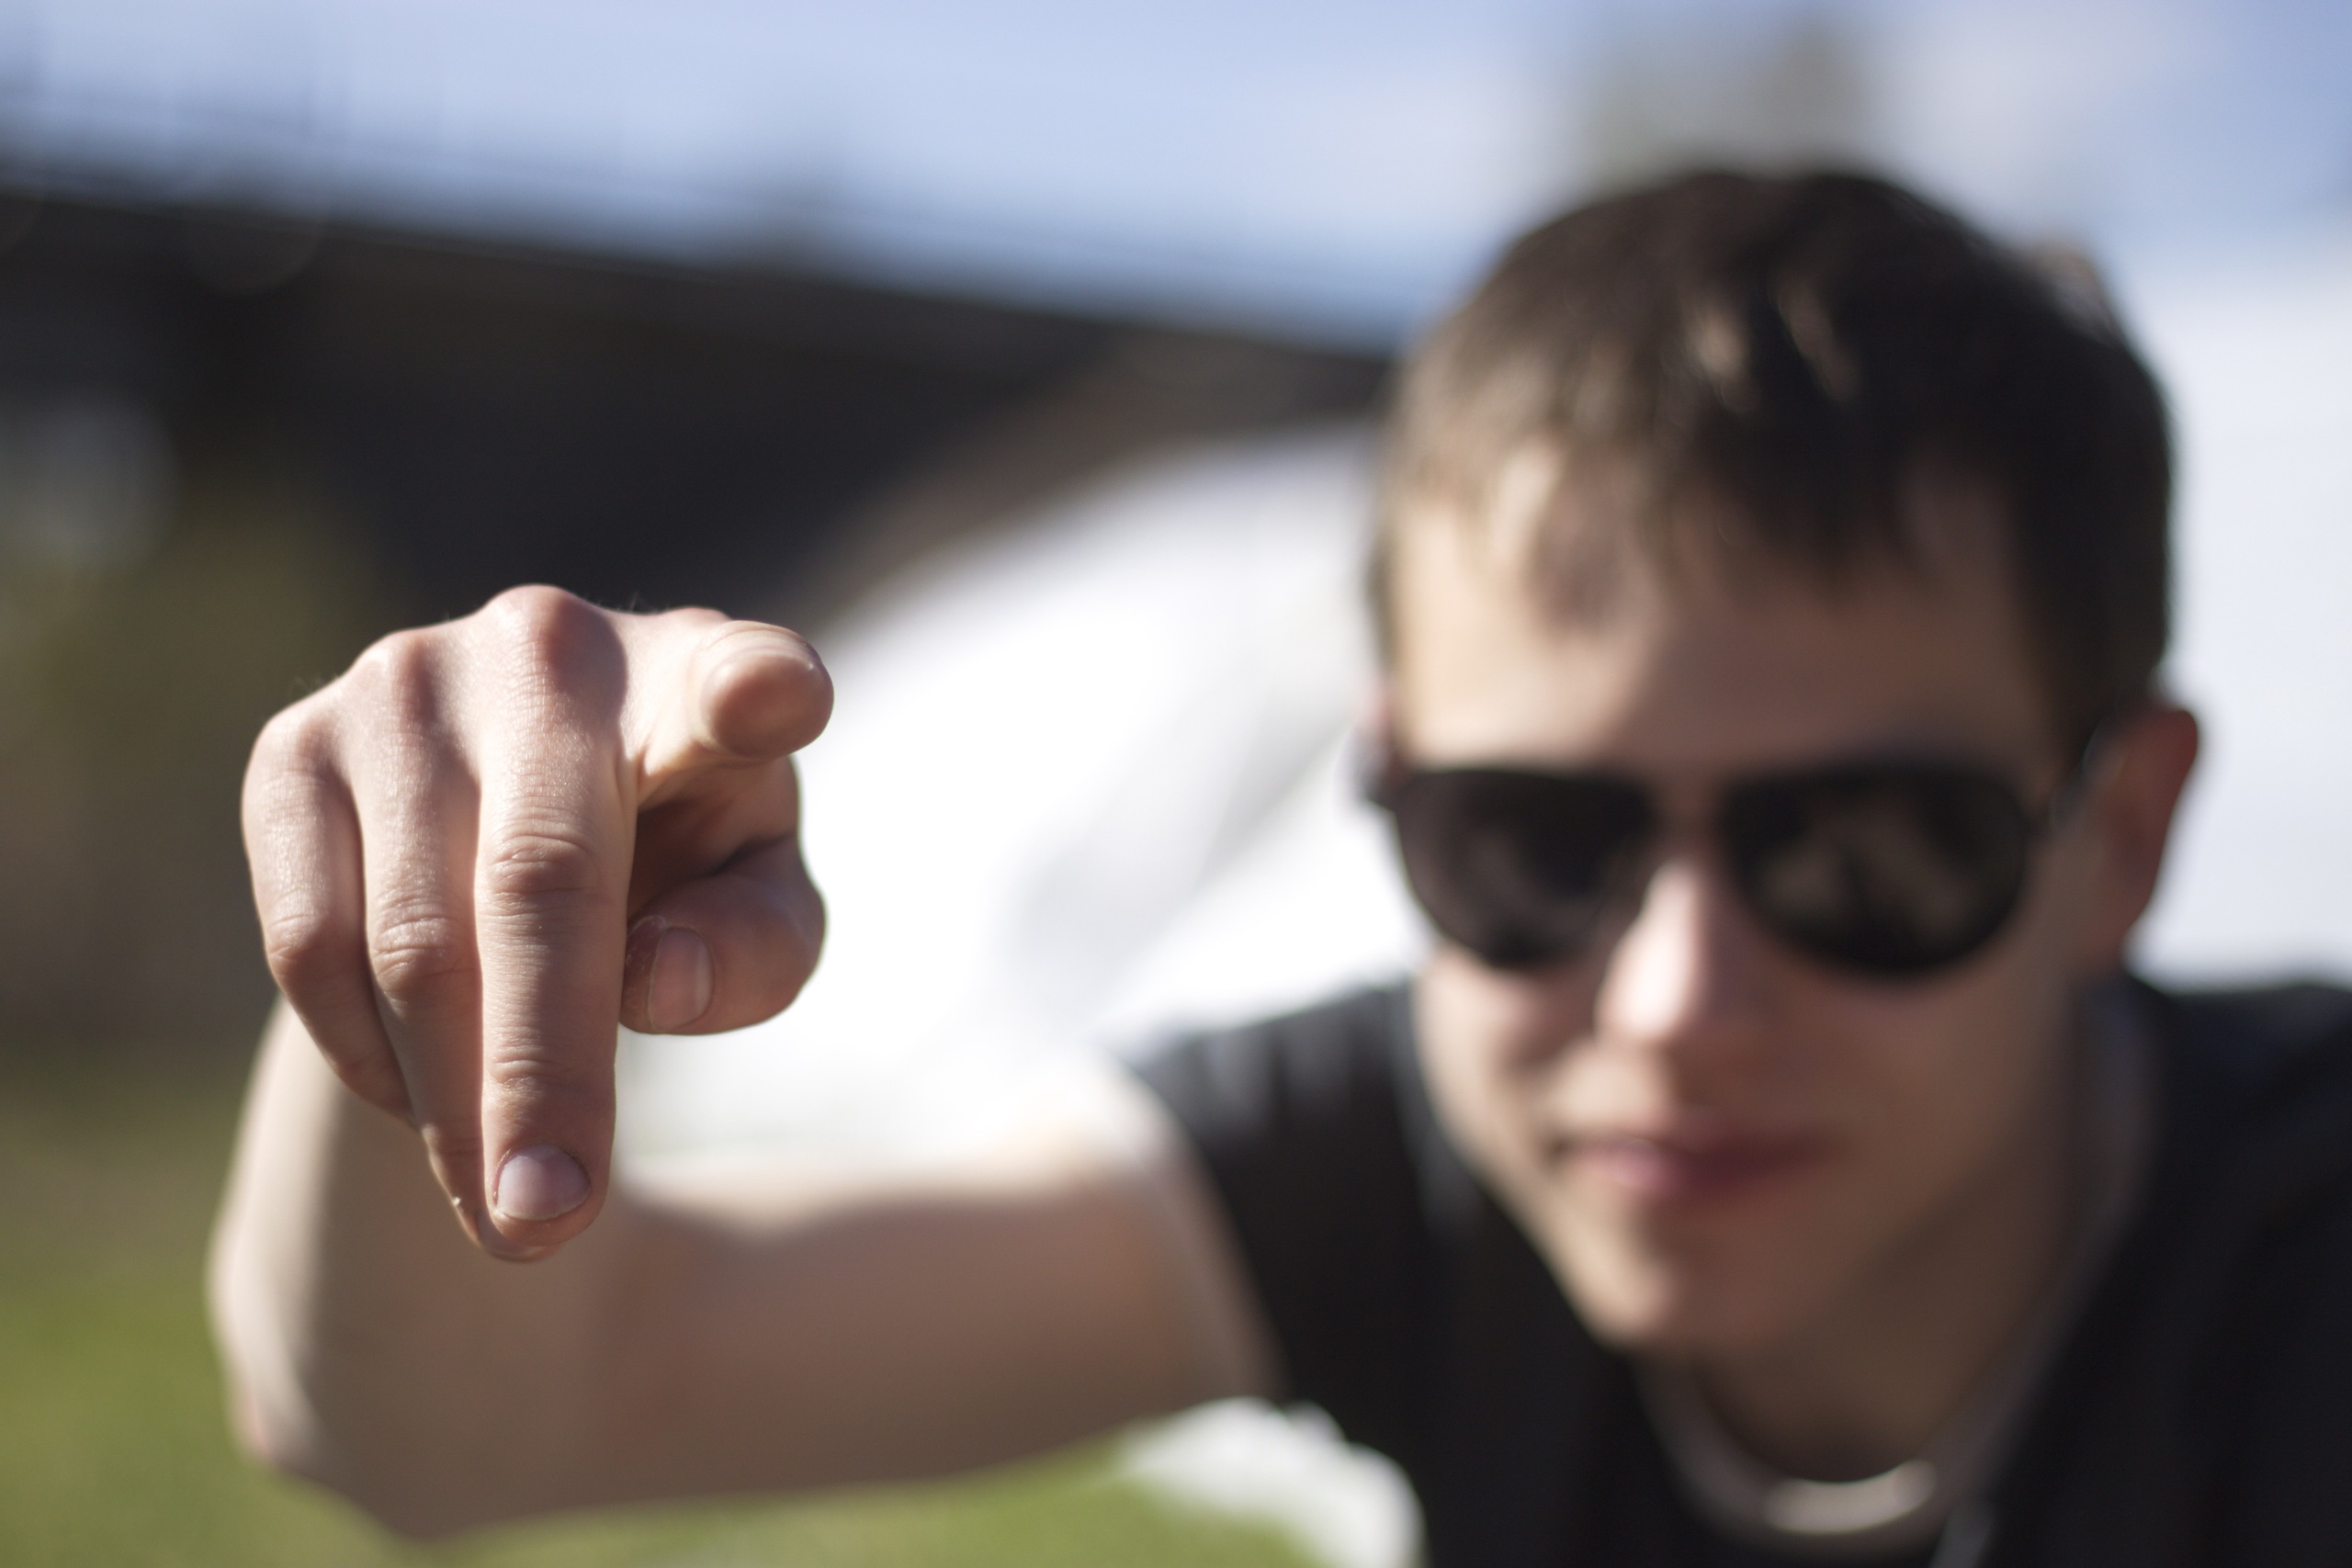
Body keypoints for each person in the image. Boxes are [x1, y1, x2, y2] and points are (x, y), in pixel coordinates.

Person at [209, 171, 2352, 1567]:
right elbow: (458, 1424)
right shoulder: (1414, 1154)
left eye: (1867, 850)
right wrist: (457, 938)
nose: (1674, 1000)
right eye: (1534, 842)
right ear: (1389, 789)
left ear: (2119, 835)